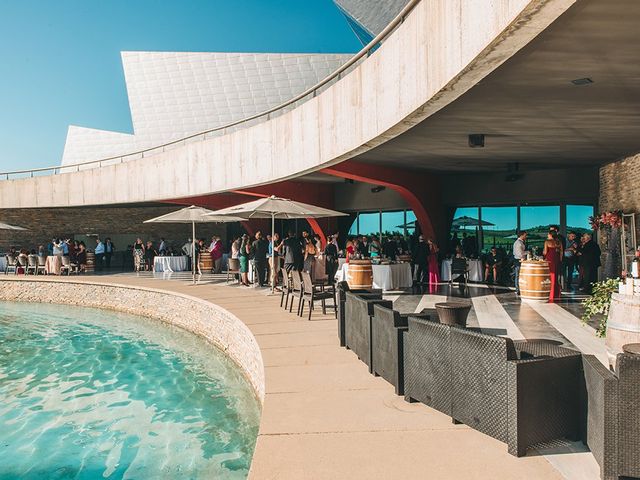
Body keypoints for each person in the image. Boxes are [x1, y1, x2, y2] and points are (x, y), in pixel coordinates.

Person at [543, 231, 563, 301]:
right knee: (556, 276)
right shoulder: (559, 242)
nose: (547, 235)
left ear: (551, 235)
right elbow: (561, 252)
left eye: (548, 234)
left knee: (550, 276)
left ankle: (550, 294)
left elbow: (545, 252)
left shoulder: (547, 242)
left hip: (550, 260)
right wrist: (560, 260)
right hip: (557, 260)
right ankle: (556, 294)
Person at [513, 231, 527, 296]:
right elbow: (520, 253)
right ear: (521, 235)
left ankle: (519, 289)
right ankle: (518, 290)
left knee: (518, 275)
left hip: (519, 260)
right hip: (518, 260)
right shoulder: (518, 243)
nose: (526, 236)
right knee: (518, 275)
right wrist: (527, 252)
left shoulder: (519, 242)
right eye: (525, 235)